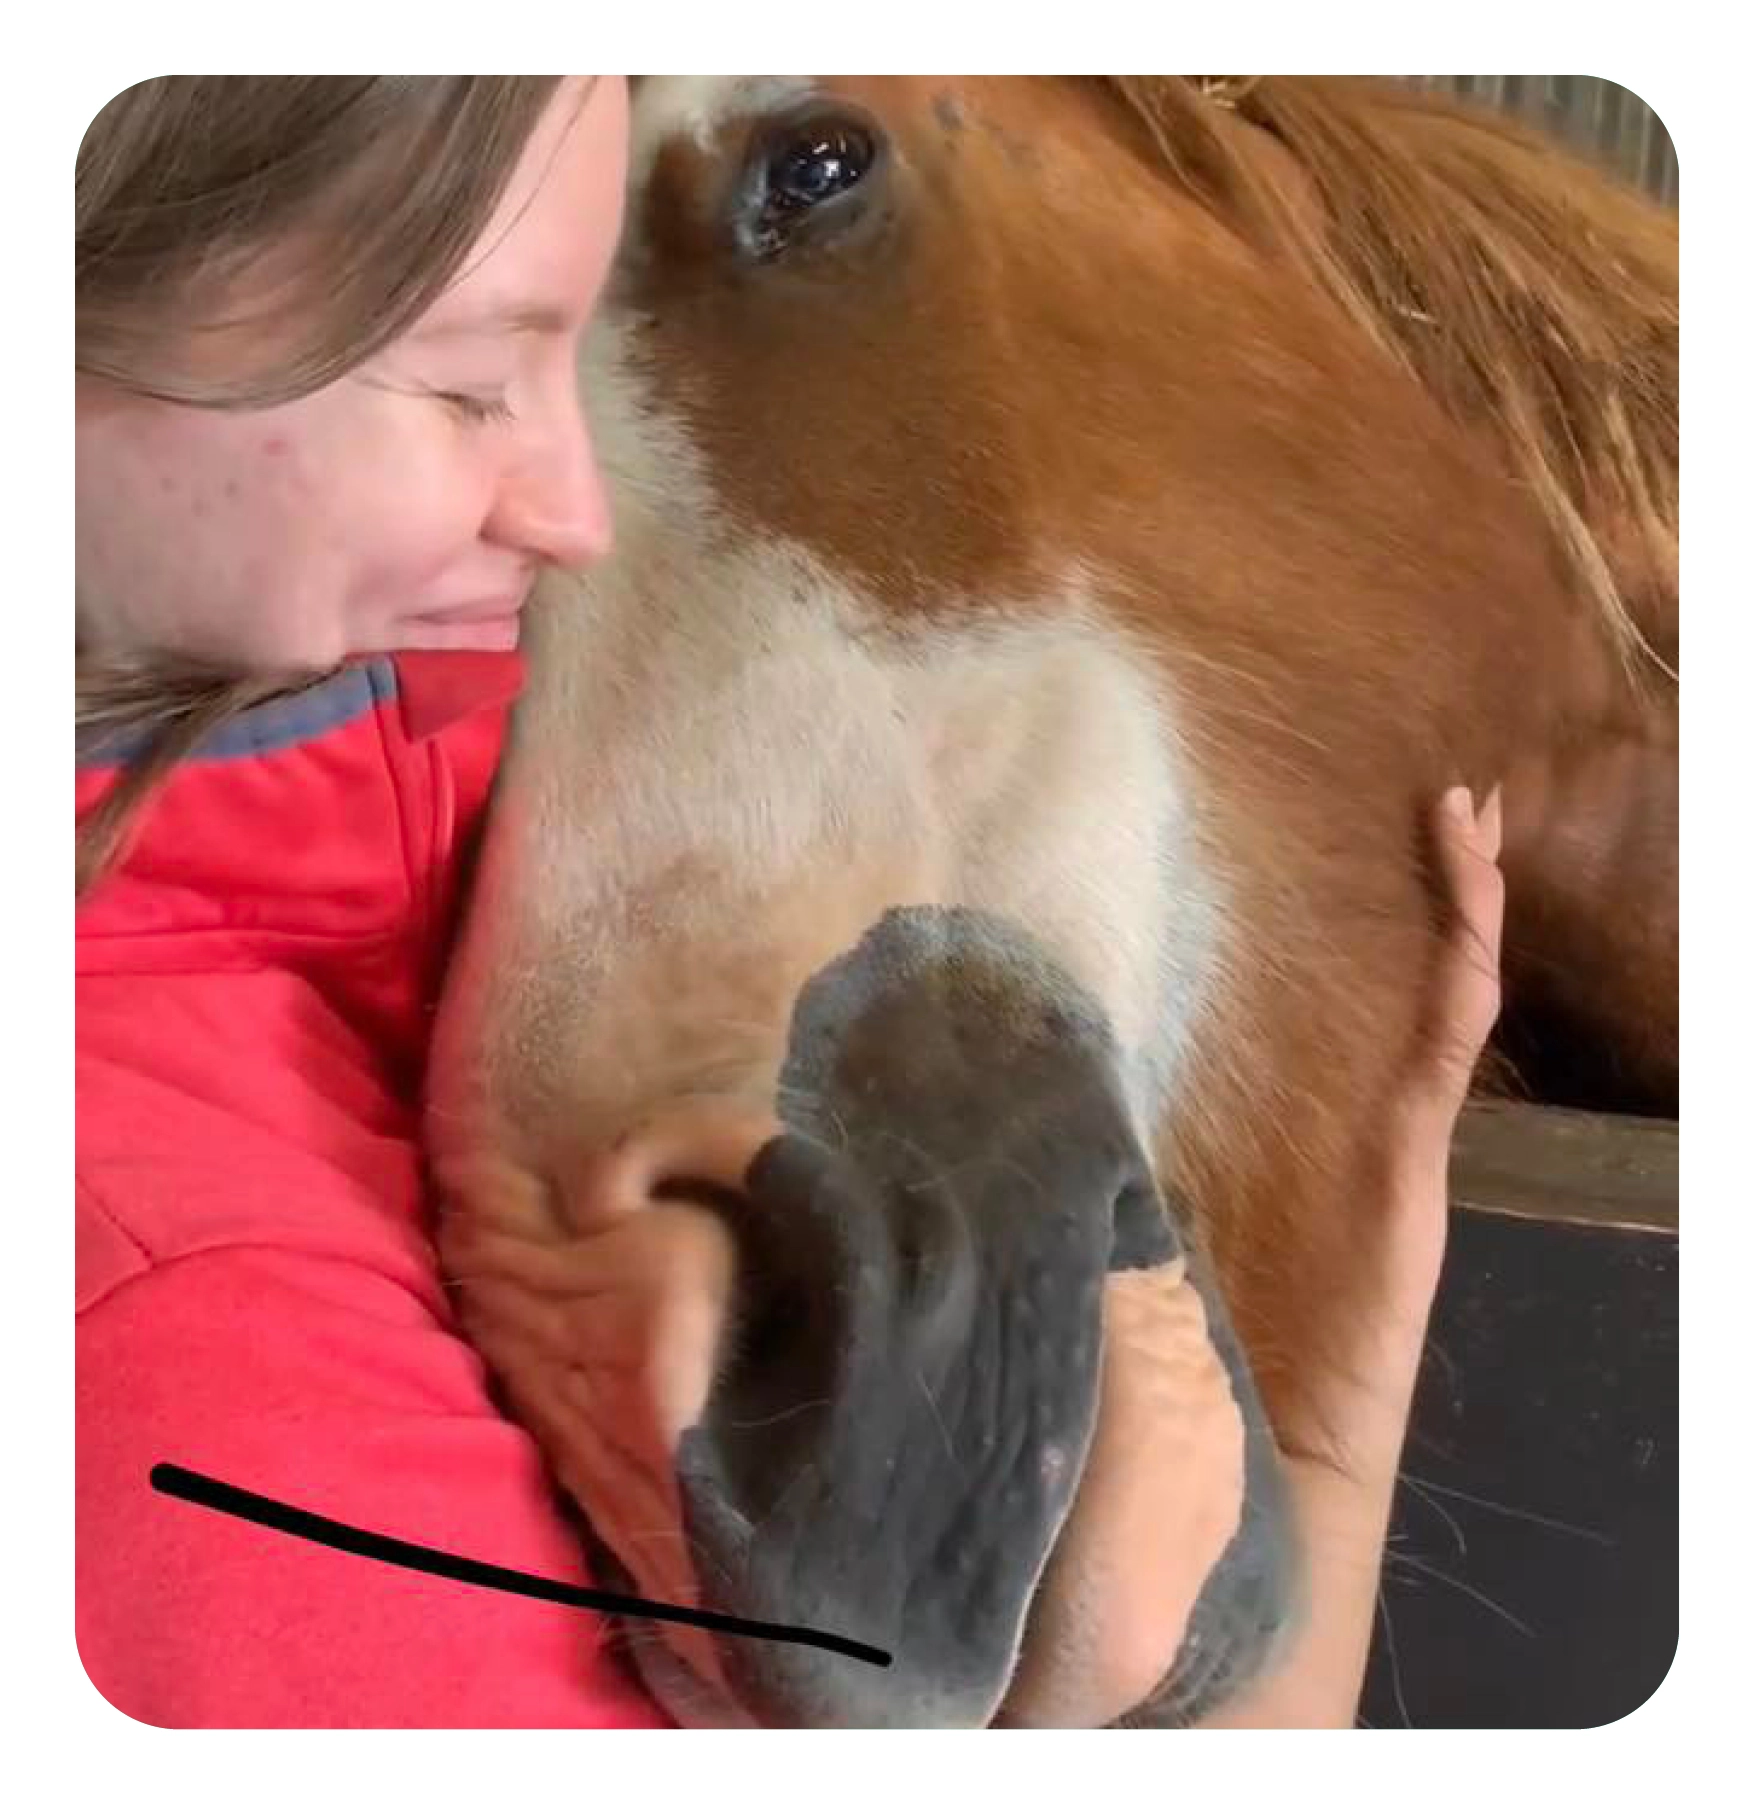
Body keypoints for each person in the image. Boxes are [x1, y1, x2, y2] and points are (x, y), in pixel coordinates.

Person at [75, 74, 1505, 1730]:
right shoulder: (207, 1389)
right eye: (471, 380)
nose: (570, 514)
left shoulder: (333, 859)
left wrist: (1342, 1388)